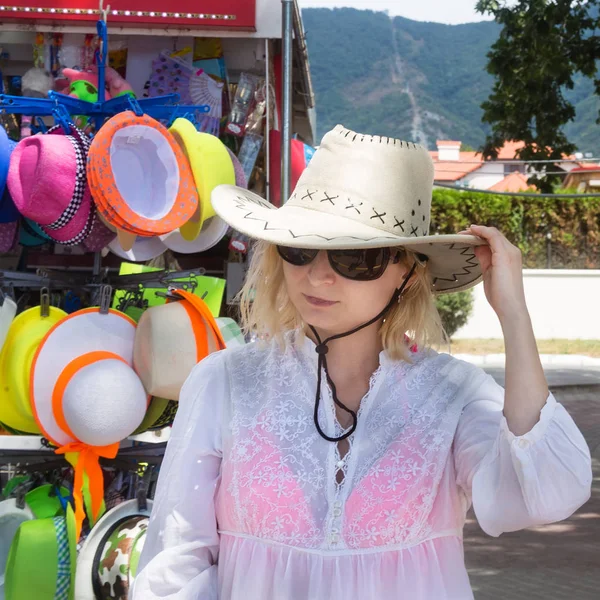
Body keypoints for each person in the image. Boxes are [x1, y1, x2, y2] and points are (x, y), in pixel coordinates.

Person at [132, 125, 592, 600]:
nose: (318, 275)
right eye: (300, 247)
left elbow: (544, 491)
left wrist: (514, 315)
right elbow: (175, 562)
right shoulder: (224, 382)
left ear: (407, 274)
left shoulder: (454, 395)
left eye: (356, 258)